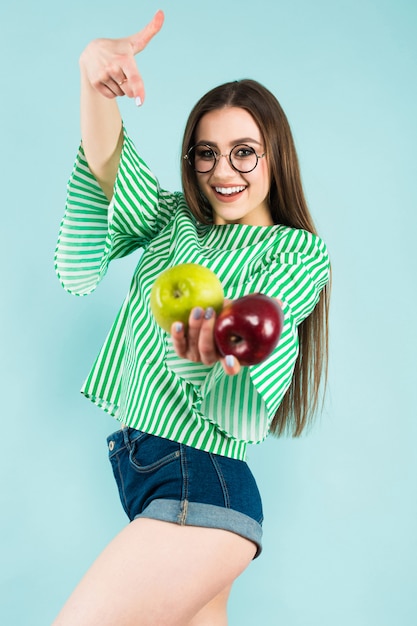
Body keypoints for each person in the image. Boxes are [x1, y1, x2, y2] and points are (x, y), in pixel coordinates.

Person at [53, 9, 330, 626]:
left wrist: (213, 355)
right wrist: (91, 77)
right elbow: (108, 171)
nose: (222, 171)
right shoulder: (175, 221)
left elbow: (249, 386)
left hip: (197, 482)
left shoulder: (294, 252)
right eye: (206, 153)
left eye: (244, 152)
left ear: (274, 155)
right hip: (157, 478)